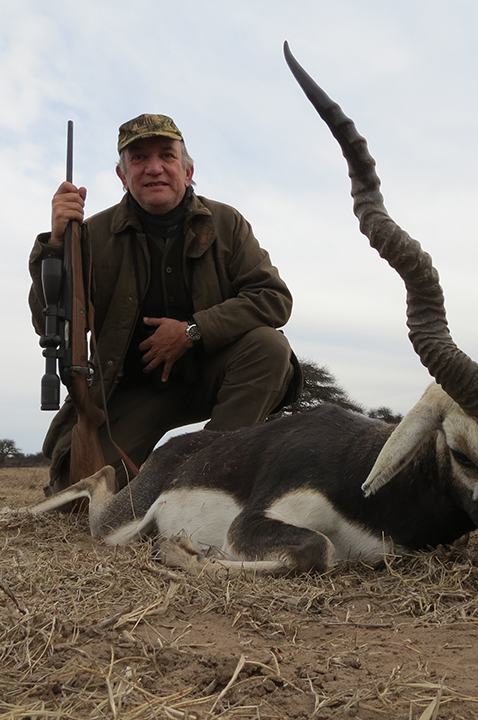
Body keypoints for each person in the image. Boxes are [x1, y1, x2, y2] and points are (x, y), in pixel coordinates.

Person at [29, 114, 298, 492]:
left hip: (212, 376)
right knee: (77, 496)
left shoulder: (227, 223)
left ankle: (205, 480)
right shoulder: (89, 236)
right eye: (138, 159)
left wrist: (193, 331)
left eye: (166, 156)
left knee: (268, 347)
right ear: (123, 176)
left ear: (187, 171)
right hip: (130, 388)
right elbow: (50, 324)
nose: (154, 168)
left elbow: (273, 299)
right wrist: (55, 245)